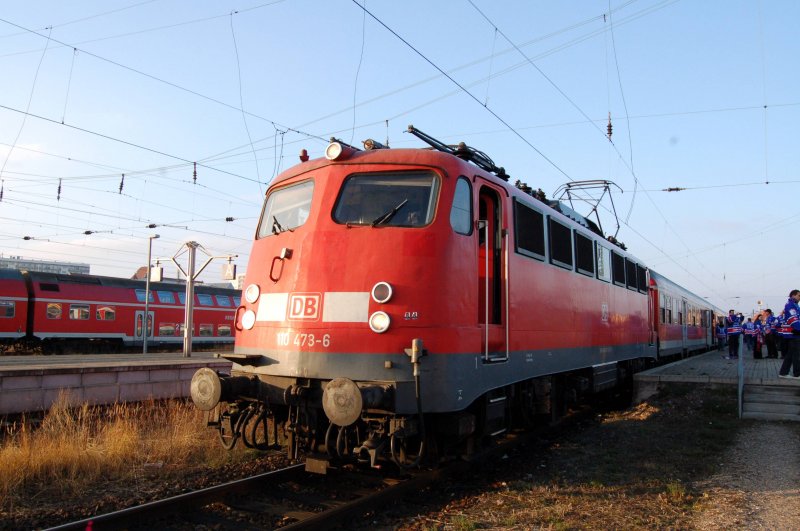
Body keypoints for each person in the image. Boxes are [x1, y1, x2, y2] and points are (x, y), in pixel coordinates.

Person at [778, 290, 800, 378]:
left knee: (791, 354)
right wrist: (798, 329)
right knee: (797, 355)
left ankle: (783, 372)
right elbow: (793, 319)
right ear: (793, 295)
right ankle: (797, 374)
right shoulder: (790, 305)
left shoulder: (795, 305)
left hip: (794, 333)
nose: (799, 297)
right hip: (794, 333)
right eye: (799, 295)